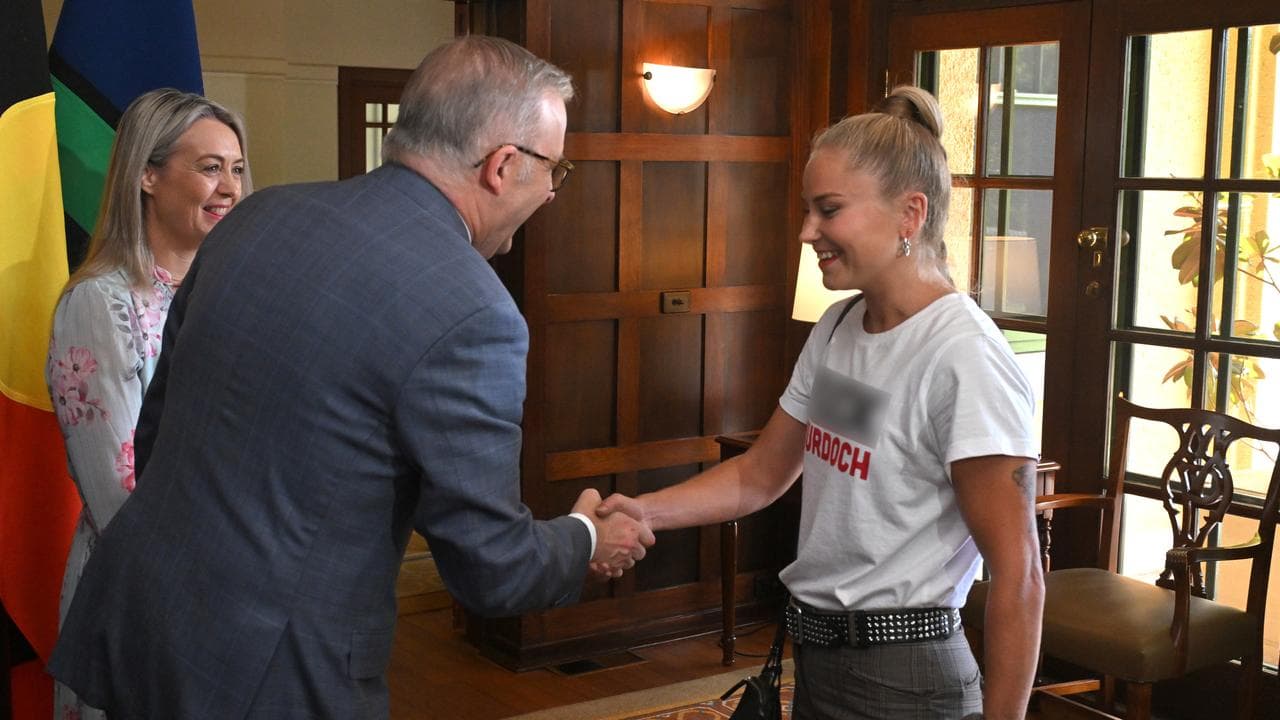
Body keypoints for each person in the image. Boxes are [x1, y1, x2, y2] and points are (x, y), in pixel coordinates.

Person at [48, 35, 653, 719]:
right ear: (502, 165)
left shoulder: (258, 217)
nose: (551, 193)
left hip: (140, 622)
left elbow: (156, 436)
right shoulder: (475, 312)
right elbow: (493, 569)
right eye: (554, 169)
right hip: (270, 677)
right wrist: (587, 538)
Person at [597, 87, 1044, 720]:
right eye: (808, 210)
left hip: (907, 680)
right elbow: (759, 475)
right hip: (818, 660)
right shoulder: (838, 327)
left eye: (828, 210)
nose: (808, 232)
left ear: (910, 213)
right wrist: (642, 510)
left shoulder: (963, 356)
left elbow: (1019, 576)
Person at [45, 87, 250, 720]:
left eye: (237, 168)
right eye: (210, 167)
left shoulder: (232, 294)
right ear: (147, 175)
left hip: (236, 586)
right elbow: (120, 489)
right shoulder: (99, 303)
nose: (230, 187)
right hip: (143, 596)